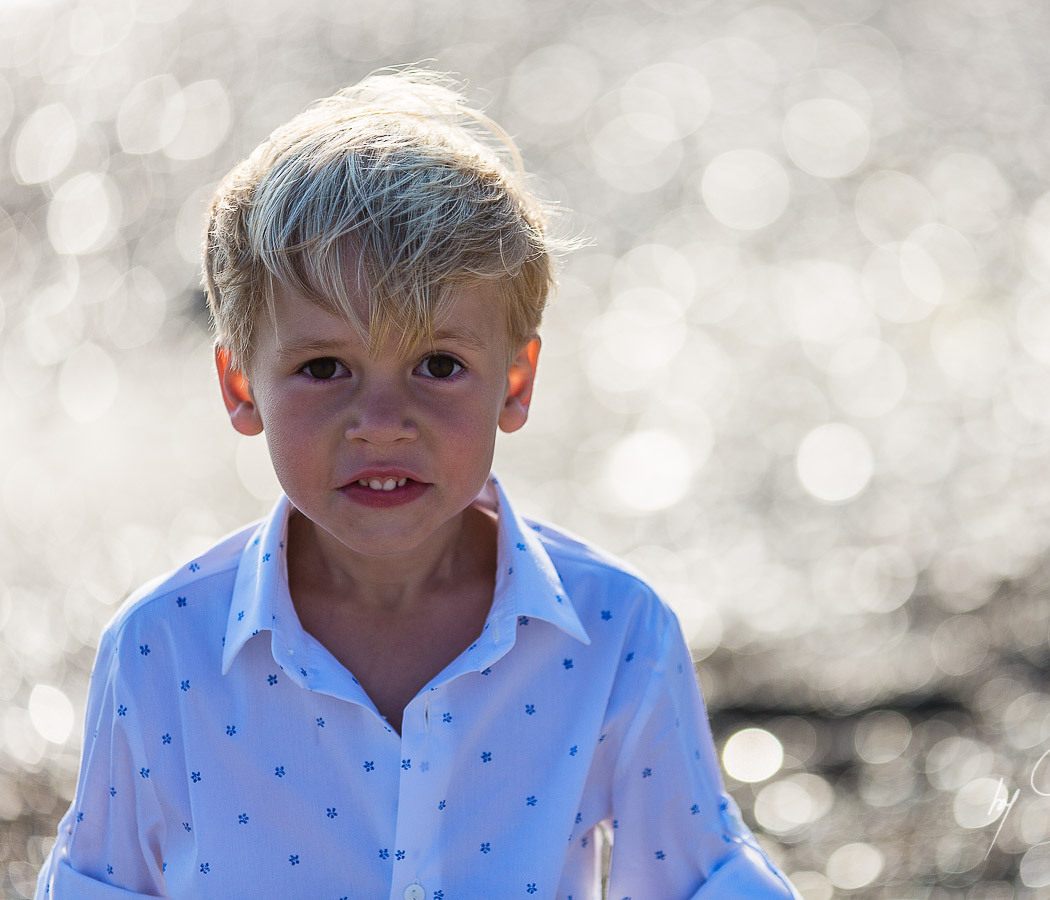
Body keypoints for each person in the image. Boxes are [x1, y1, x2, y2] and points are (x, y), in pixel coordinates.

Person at [38, 70, 799, 899]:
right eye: (324, 367)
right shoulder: (160, 650)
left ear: (514, 381)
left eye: (439, 365)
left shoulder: (618, 633)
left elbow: (702, 882)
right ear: (240, 385)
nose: (383, 420)